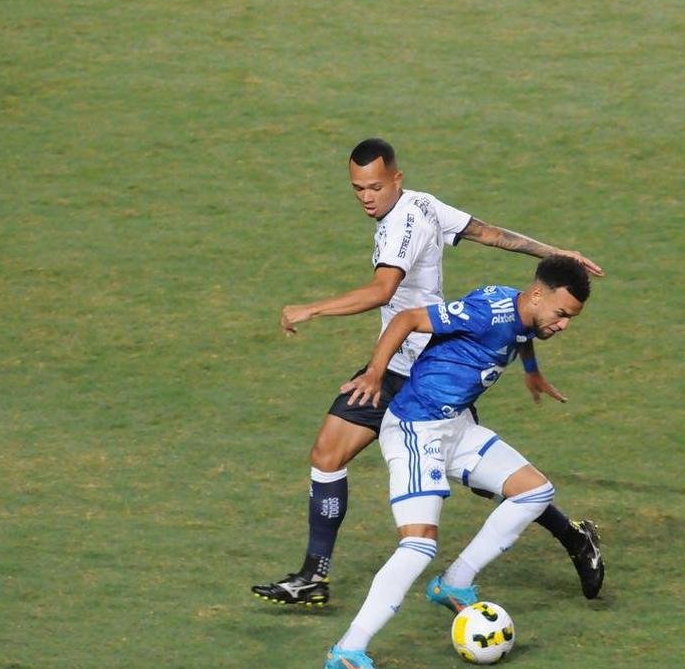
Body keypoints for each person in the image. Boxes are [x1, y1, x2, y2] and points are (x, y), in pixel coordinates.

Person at [251, 139, 605, 609]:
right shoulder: (425, 203)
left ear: (396, 178)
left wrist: (310, 309)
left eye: (376, 186)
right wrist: (556, 252)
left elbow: (383, 291)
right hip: (394, 362)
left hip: (425, 371)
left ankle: (573, 536)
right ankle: (314, 575)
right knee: (327, 454)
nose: (367, 197)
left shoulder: (407, 220)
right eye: (358, 188)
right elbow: (491, 234)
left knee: (485, 480)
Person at [325, 256, 591, 669]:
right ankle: (349, 650)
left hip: (457, 428)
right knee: (417, 548)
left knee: (535, 491)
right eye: (561, 315)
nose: (563, 325)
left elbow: (522, 333)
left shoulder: (520, 307)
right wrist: (375, 375)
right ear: (539, 295)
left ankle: (454, 583)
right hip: (417, 429)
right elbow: (408, 319)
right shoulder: (488, 312)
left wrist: (532, 372)